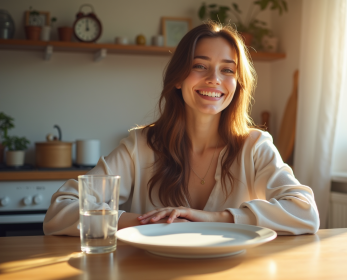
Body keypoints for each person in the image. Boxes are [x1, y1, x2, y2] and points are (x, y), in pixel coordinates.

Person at [43, 21, 320, 236]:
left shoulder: (255, 146)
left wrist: (216, 218)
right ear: (177, 78)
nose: (214, 79)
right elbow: (60, 210)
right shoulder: (140, 146)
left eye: (227, 70)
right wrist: (146, 223)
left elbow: (306, 212)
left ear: (237, 85)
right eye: (200, 66)